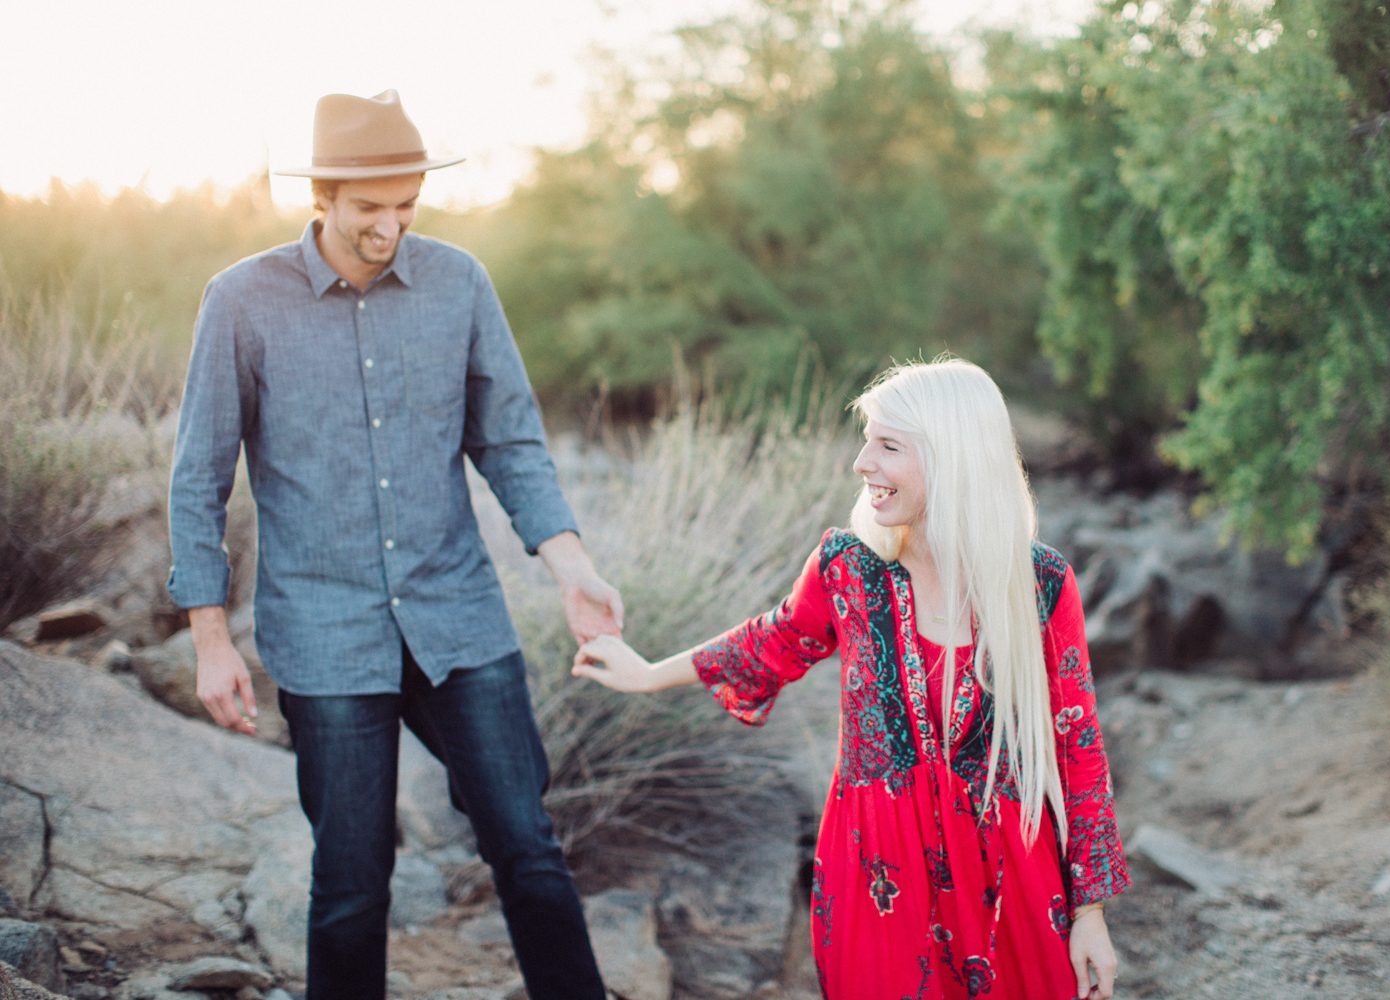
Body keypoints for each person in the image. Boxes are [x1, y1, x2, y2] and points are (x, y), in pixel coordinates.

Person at [168, 90, 614, 1000]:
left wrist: (571, 565)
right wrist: (211, 643)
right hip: (326, 637)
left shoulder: (460, 284)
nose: (391, 225)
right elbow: (197, 479)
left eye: (406, 204)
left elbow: (511, 442)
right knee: (349, 886)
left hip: (460, 620)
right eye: (370, 208)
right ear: (323, 196)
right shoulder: (242, 303)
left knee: (529, 851)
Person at [574, 359, 1131, 999]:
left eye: (888, 445)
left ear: (953, 458)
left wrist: (1090, 916)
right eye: (867, 440)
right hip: (878, 885)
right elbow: (772, 639)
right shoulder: (849, 571)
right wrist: (646, 674)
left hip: (1013, 889)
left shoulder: (1041, 585)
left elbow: (1077, 748)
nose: (862, 462)